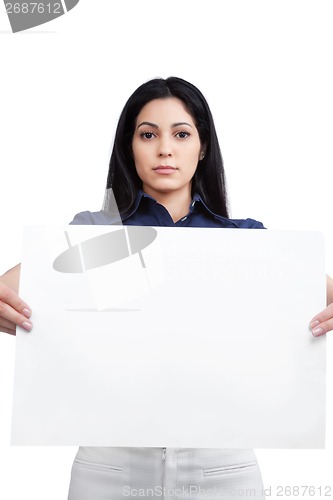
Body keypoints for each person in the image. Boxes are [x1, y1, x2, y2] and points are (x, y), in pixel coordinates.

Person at [1, 76, 333, 499]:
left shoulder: (249, 243)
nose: (165, 149)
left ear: (203, 147)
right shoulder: (94, 233)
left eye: (181, 134)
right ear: (129, 146)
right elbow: (8, 289)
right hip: (109, 466)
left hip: (223, 467)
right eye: (147, 134)